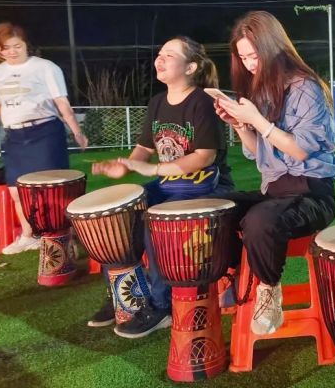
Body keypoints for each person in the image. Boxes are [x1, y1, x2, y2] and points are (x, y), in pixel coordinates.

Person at [90, 36, 233, 338]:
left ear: (190, 67)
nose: (160, 58)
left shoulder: (202, 102)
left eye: (170, 54)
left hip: (205, 186)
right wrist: (126, 166)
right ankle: (125, 298)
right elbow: (144, 148)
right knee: (121, 215)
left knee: (154, 222)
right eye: (160, 53)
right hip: (170, 184)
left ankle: (161, 305)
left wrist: (154, 169)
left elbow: (204, 157)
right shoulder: (157, 102)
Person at [214, 10, 335, 336]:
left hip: (310, 191)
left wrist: (257, 120)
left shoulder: (305, 88)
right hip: (275, 191)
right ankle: (234, 276)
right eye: (243, 58)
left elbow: (301, 150)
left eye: (254, 56)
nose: (249, 65)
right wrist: (240, 125)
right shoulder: (261, 91)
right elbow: (259, 151)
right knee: (218, 207)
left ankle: (268, 289)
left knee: (261, 219)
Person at [0, 22, 88, 254]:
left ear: (26, 45)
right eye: (6, 48)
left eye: (17, 46)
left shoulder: (45, 67)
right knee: (16, 191)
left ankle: (66, 238)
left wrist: (77, 131)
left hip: (45, 132)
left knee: (54, 189)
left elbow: (61, 102)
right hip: (15, 136)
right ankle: (29, 235)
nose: (12, 51)